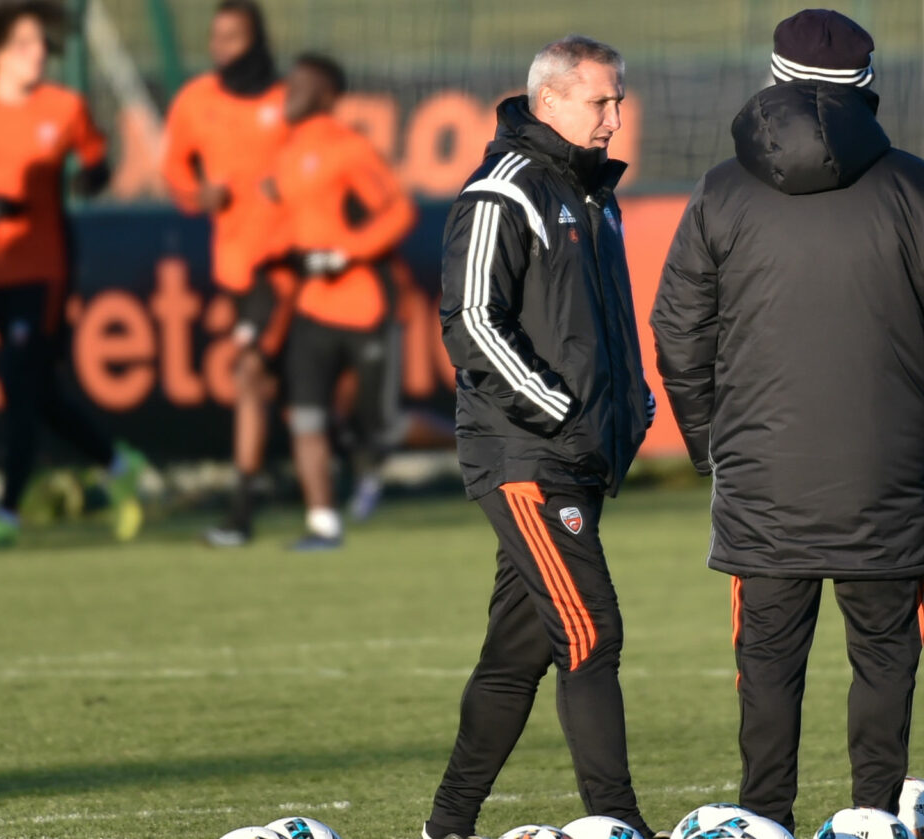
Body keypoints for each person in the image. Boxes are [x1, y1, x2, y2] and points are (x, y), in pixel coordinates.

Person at [652, 10, 924, 831]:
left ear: (773, 80)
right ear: (867, 85)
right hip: (887, 478)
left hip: (762, 484)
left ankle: (762, 819)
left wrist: (712, 447)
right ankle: (873, 819)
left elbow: (678, 335)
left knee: (767, 666)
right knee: (885, 661)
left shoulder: (720, 192)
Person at [424, 36, 657, 839]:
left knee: (515, 653)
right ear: (550, 100)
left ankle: (446, 825)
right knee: (590, 630)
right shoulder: (502, 191)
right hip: (524, 455)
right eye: (601, 102)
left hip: (577, 456)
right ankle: (619, 824)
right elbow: (471, 323)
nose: (614, 117)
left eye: (618, 100)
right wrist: (558, 408)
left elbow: (604, 327)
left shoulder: (595, 195)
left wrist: (633, 401)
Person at [0, 0, 148, 552]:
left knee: (19, 386)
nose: (38, 55)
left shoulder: (65, 107)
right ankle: (119, 464)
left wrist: (87, 180)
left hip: (47, 267)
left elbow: (97, 167)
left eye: (41, 44)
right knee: (40, 392)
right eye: (24, 44)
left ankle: (6, 512)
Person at [161, 0, 295, 547]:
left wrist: (286, 190)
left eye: (233, 38)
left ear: (256, 41)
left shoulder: (287, 100)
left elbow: (319, 163)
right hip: (238, 269)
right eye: (216, 38)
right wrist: (198, 194)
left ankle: (242, 512)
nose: (221, 49)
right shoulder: (195, 101)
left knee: (249, 375)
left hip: (288, 264)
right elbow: (174, 171)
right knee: (273, 384)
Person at [267, 53, 414, 550]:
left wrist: (344, 253)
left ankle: (464, 450)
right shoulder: (284, 154)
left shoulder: (347, 150)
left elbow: (397, 212)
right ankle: (323, 523)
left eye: (301, 84)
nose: (289, 91)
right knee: (305, 414)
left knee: (377, 426)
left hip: (363, 305)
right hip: (311, 308)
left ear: (327, 95)